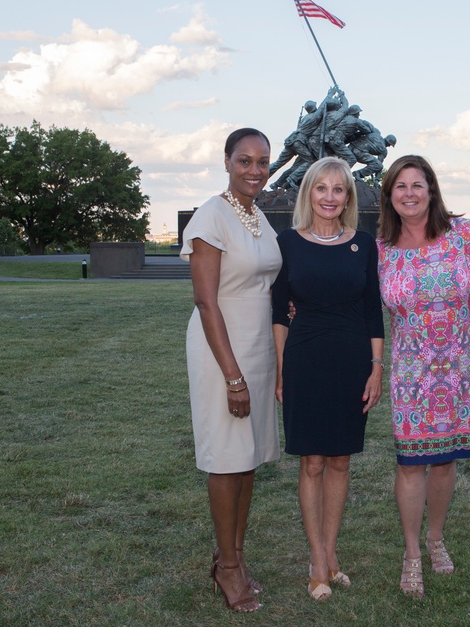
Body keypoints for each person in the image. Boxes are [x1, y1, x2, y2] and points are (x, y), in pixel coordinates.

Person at [376, 154, 470, 598]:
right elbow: (351, 299)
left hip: (461, 367)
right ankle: (412, 553)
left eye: (418, 185)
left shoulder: (465, 234)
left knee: (445, 458)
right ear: (389, 195)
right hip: (412, 372)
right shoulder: (382, 249)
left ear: (431, 190)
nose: (410, 193)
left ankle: (436, 538)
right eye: (401, 186)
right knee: (411, 461)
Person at [271, 156, 385, 601]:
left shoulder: (363, 244)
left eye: (339, 190)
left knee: (340, 460)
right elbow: (279, 312)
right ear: (309, 193)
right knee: (312, 461)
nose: (330, 197)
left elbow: (373, 309)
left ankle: (332, 555)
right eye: (322, 188)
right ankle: (316, 559)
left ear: (348, 198)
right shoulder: (287, 244)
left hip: (352, 359)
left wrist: (377, 367)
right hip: (303, 359)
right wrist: (281, 368)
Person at [181, 127, 282, 613]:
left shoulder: (259, 216)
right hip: (222, 350)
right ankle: (225, 570)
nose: (255, 170)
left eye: (263, 161)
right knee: (226, 457)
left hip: (259, 348)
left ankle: (234, 556)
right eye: (245, 160)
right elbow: (205, 300)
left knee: (248, 458)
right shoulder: (212, 215)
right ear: (226, 162)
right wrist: (232, 376)